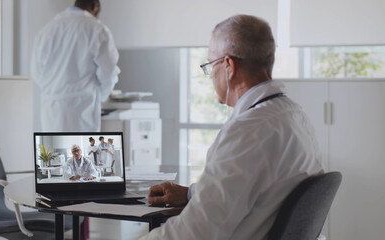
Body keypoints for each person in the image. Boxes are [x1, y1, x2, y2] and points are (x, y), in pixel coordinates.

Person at [143, 15, 323, 240]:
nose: (210, 76)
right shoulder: (293, 116)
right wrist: (191, 193)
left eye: (210, 65)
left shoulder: (250, 131)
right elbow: (256, 189)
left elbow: (196, 231)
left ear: (228, 65)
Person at [31, 0, 120, 132]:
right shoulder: (97, 29)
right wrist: (101, 95)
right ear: (95, 7)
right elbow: (109, 73)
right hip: (82, 110)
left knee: (52, 151)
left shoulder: (47, 30)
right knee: (81, 151)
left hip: (51, 111)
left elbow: (37, 73)